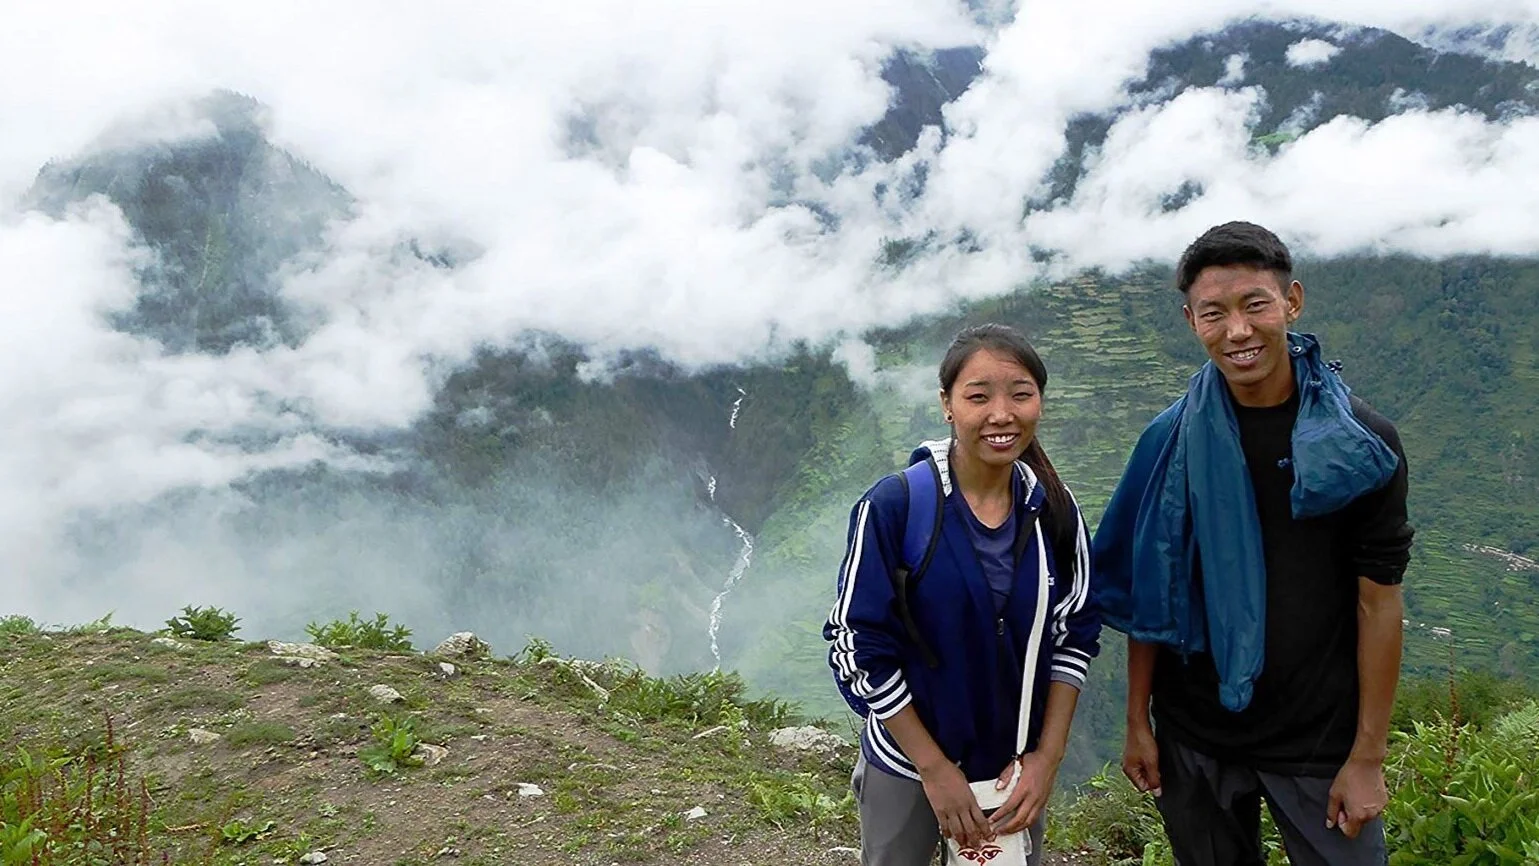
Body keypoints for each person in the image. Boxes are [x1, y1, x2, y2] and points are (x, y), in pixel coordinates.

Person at [1094, 221, 1414, 866]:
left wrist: (1367, 756)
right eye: (1215, 313)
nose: (1237, 331)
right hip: (1194, 735)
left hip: (1318, 739)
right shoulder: (1169, 442)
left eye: (1255, 305)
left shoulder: (1357, 447)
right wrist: (1138, 722)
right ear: (1192, 321)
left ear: (1291, 302)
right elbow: (1153, 590)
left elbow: (1378, 603)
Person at [824, 323, 1100, 866]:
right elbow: (856, 642)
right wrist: (933, 768)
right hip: (905, 767)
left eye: (1020, 394)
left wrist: (1046, 759)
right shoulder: (895, 507)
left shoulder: (1054, 509)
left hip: (1009, 777)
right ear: (946, 405)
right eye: (978, 397)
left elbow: (1074, 634)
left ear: (1040, 401)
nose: (1002, 414)